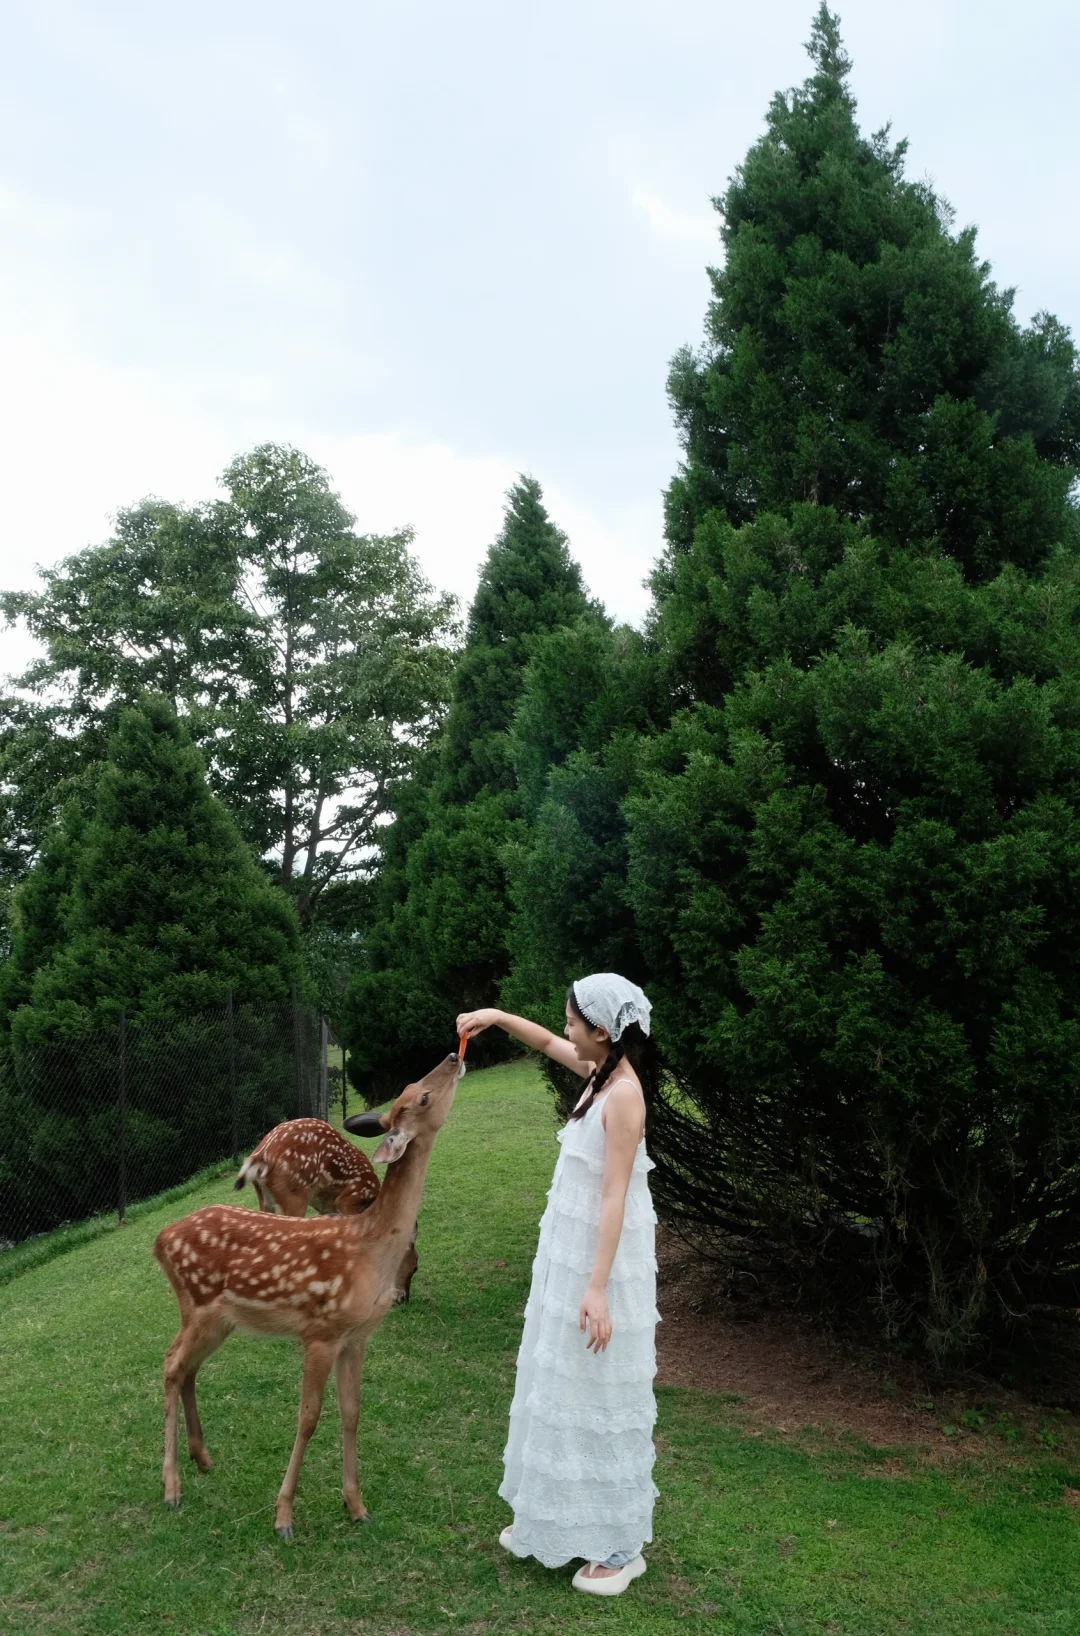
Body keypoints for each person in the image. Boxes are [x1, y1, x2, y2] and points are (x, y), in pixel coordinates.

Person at [456, 974, 658, 1598]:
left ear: (600, 1030)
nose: (565, 1030)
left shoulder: (624, 1096)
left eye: (573, 1021)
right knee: (563, 1381)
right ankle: (559, 1517)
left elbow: (615, 1196)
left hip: (601, 1264)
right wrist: (494, 1015)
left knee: (599, 1389)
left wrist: (597, 1289)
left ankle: (620, 1548)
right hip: (571, 1256)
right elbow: (545, 1042)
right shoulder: (599, 1071)